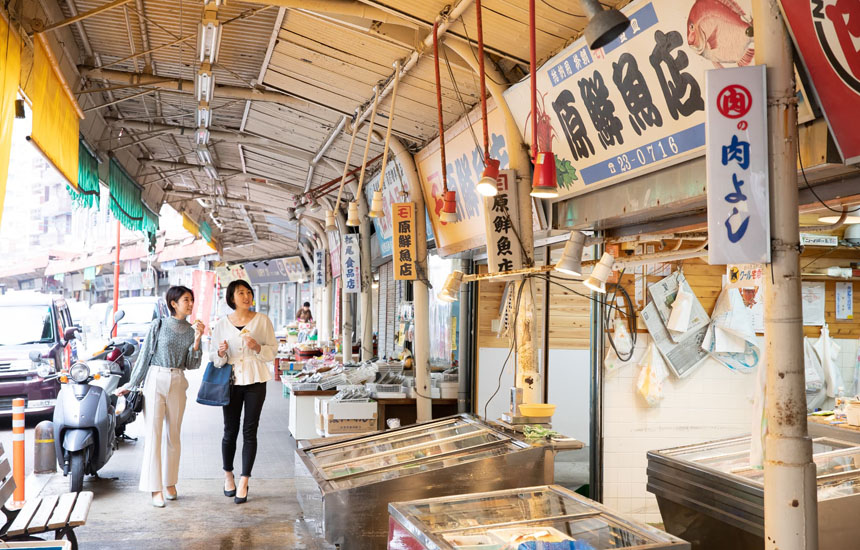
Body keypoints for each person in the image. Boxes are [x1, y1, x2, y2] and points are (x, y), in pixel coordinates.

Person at [117, 286, 203, 508]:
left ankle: (170, 483)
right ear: (173, 303)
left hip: (178, 379)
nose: (191, 303)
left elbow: (193, 364)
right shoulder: (159, 325)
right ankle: (155, 488)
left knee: (173, 435)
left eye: (192, 300)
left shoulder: (193, 330)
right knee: (154, 435)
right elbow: (145, 356)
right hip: (155, 378)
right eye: (186, 300)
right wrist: (132, 384)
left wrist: (198, 339)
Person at [210, 280, 277, 504]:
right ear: (231, 298)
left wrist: (258, 347)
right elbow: (214, 358)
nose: (246, 296)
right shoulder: (221, 324)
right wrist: (220, 353)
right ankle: (228, 475)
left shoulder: (262, 321)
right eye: (241, 293)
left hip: (256, 379)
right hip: (230, 381)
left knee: (250, 430)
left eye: (249, 292)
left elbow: (272, 351)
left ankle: (245, 480)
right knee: (230, 430)